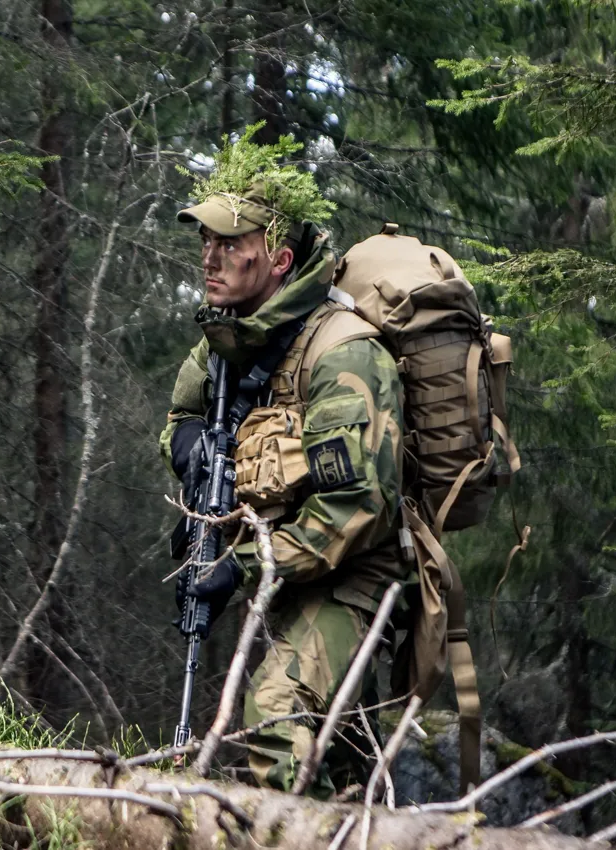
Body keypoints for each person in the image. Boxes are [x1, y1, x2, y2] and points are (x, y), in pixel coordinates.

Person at [160, 178, 412, 796]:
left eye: (228, 242)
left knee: (275, 715)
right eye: (204, 239)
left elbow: (360, 508)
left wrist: (240, 567)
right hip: (285, 565)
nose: (208, 256)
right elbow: (181, 418)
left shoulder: (343, 354)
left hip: (355, 576)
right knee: (345, 755)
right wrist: (190, 449)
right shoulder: (227, 340)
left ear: (278, 260)